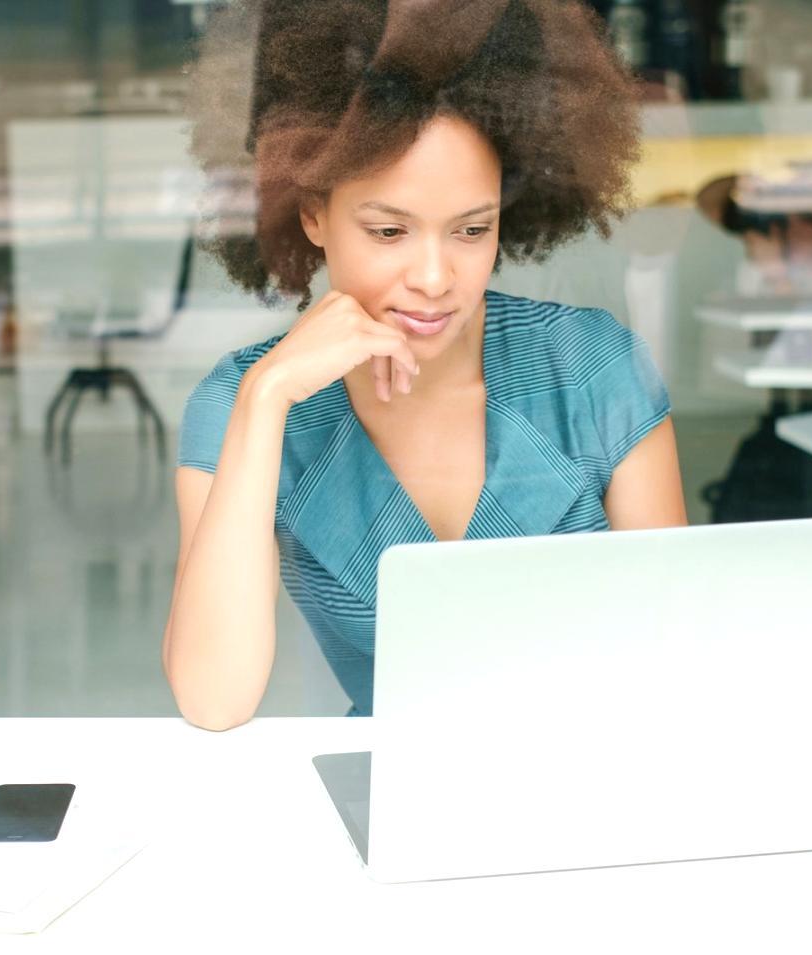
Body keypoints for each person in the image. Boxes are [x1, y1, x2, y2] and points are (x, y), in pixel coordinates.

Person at [165, 0, 687, 730]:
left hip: (591, 780)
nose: (436, 277)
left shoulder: (592, 369)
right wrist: (268, 396)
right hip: (388, 796)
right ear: (312, 214)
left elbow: (672, 653)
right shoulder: (242, 405)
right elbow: (212, 699)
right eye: (388, 231)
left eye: (471, 230)